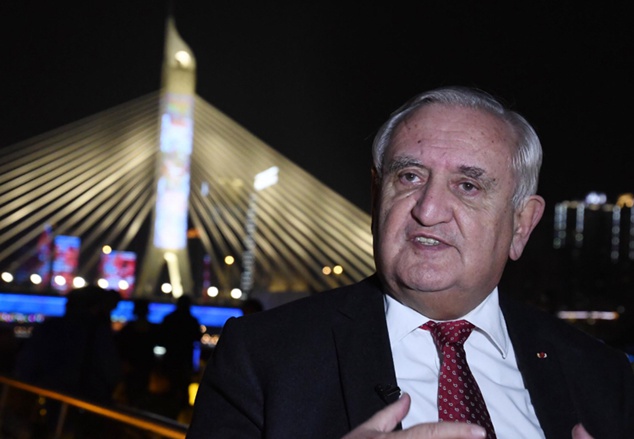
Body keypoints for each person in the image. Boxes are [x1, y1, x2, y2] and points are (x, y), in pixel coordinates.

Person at [186, 87, 634, 439]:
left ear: (521, 224)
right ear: (376, 197)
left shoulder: (601, 376)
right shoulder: (263, 357)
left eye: (468, 186)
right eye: (410, 176)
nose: (429, 209)